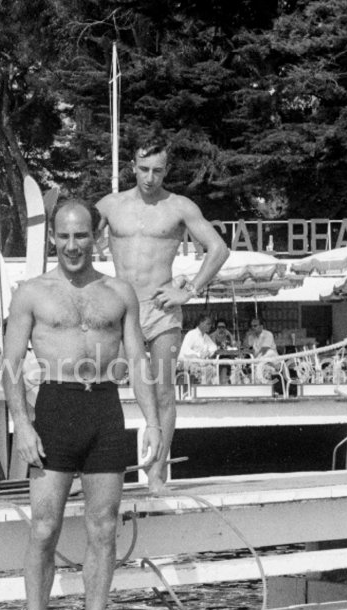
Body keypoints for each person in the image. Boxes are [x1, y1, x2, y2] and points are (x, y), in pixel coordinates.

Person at [3, 198, 163, 610]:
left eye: (81, 235)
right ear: (53, 237)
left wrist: (152, 422)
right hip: (54, 408)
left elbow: (138, 362)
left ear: (95, 237)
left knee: (104, 526)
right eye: (64, 236)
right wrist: (23, 425)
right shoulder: (32, 292)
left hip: (104, 408)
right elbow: (9, 367)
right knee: (44, 528)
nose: (73, 245)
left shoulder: (119, 292)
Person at [97, 132, 229, 494]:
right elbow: (72, 244)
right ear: (132, 166)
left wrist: (187, 291)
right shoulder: (110, 205)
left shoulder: (180, 207)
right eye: (143, 169)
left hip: (160, 310)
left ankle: (156, 475)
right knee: (97, 385)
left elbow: (218, 249)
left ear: (166, 169)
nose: (150, 178)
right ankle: (92, 471)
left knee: (164, 393)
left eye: (157, 170)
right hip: (122, 309)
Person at [178, 314, 218, 384]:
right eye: (208, 324)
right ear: (200, 323)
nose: (210, 326)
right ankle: (200, 388)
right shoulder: (191, 334)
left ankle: (204, 389)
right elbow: (185, 350)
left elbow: (214, 347)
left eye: (210, 324)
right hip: (186, 363)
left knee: (212, 369)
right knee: (205, 369)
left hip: (198, 363)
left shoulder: (205, 336)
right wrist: (199, 354)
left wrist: (208, 352)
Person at [211, 317, 237, 384]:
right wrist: (215, 335)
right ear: (216, 328)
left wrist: (230, 335)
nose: (221, 329)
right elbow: (213, 348)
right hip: (216, 359)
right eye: (219, 327)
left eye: (223, 327)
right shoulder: (212, 335)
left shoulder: (228, 335)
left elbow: (234, 346)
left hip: (228, 357)